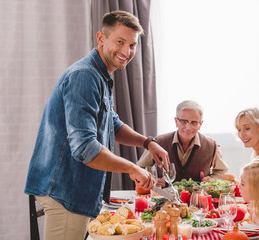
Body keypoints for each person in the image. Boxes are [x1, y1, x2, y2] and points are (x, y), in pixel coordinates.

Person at [24, 10, 169, 240]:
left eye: (132, 45)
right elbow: (85, 148)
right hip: (66, 192)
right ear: (101, 38)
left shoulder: (101, 75)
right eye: (120, 42)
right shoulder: (85, 76)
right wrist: (133, 168)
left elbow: (112, 123)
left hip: (74, 191)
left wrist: (147, 142)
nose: (126, 51)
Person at [137, 100, 228, 187]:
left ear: (200, 124)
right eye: (184, 121)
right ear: (176, 121)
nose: (188, 127)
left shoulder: (212, 146)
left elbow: (222, 171)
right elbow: (139, 169)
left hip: (198, 199)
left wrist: (212, 179)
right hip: (163, 198)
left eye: (194, 123)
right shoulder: (157, 143)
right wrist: (152, 179)